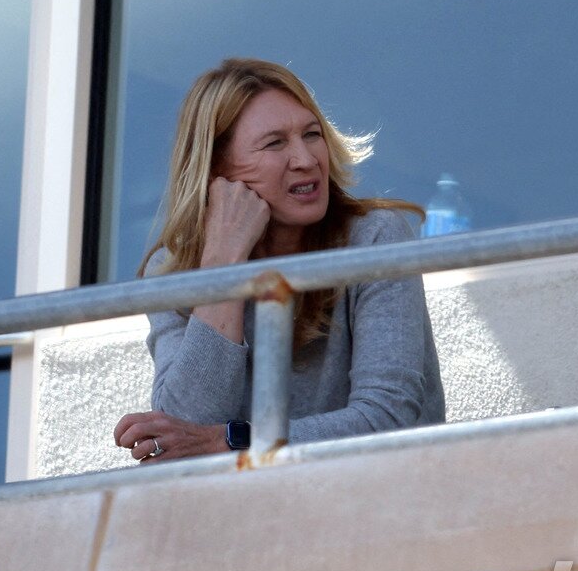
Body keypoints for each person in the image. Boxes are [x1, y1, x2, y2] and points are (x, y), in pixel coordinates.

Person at [114, 58, 446, 463]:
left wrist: (234, 440)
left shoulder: (374, 238)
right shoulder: (173, 268)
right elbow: (183, 432)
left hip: (378, 500)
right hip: (250, 510)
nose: (306, 159)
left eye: (312, 134)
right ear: (218, 170)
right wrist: (223, 263)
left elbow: (388, 418)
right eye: (275, 143)